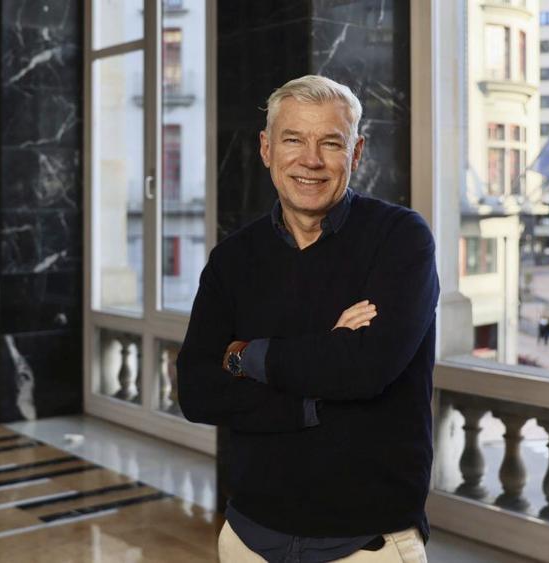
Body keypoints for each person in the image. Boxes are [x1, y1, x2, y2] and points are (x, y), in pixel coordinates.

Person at [177, 75, 437, 563]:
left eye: (331, 143)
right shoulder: (233, 259)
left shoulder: (401, 239)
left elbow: (366, 368)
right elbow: (196, 390)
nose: (311, 160)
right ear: (266, 148)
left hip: (368, 547)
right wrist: (313, 393)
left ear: (356, 153)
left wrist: (246, 355)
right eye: (293, 139)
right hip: (248, 539)